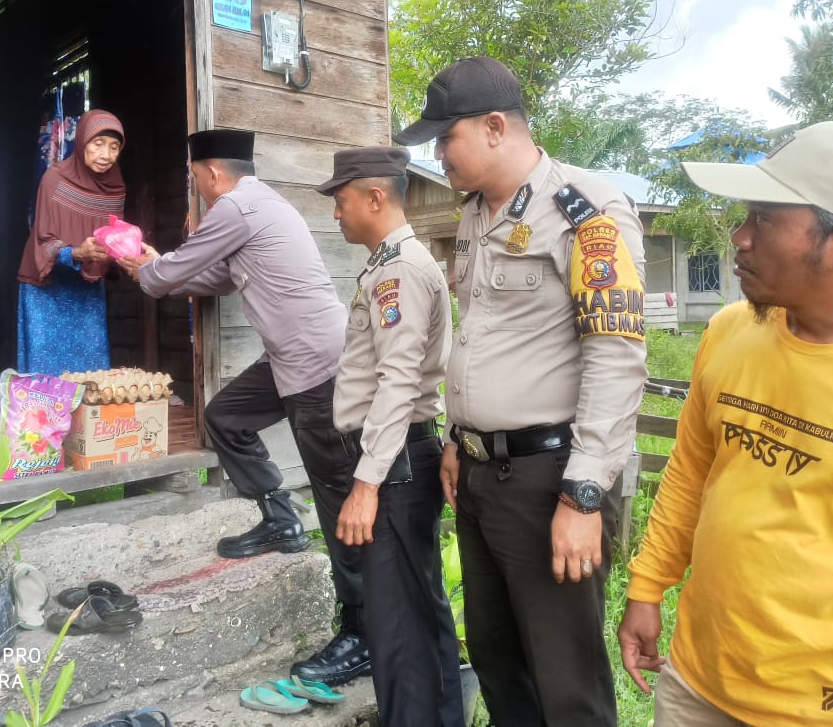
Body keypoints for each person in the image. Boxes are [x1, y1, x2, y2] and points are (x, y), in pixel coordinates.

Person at [618, 121, 833, 726]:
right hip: (697, 684)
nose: (740, 237)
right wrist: (647, 587)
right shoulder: (730, 331)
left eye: (765, 218)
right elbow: (690, 473)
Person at [394, 56, 647, 726]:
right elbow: (483, 336)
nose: (438, 155)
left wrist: (583, 493)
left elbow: (615, 354)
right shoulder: (476, 213)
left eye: (446, 138)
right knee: (499, 662)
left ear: (495, 127)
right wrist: (459, 438)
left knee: (565, 682)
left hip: (549, 480)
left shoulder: (585, 209)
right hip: (481, 474)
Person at [117, 129, 370, 686]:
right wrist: (165, 268)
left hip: (318, 368)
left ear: (211, 174)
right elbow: (219, 278)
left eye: (194, 179)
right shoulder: (261, 203)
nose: (196, 189)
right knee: (225, 417)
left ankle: (363, 633)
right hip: (289, 359)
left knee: (335, 501)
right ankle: (280, 519)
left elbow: (165, 279)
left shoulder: (236, 207)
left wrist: (146, 264)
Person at [317, 147, 464, 726]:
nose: (336, 214)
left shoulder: (400, 269)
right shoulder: (388, 265)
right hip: (398, 461)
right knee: (414, 615)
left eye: (341, 200)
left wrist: (366, 484)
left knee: (397, 626)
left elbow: (398, 382)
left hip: (395, 465)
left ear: (375, 197)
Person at [16, 109, 127, 374]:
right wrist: (76, 253)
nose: (106, 155)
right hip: (47, 290)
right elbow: (43, 238)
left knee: (90, 373)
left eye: (114, 147)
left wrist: (123, 253)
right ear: (82, 142)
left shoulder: (115, 189)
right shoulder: (54, 179)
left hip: (87, 290)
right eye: (98, 144)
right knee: (47, 376)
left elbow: (114, 238)